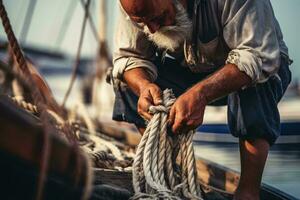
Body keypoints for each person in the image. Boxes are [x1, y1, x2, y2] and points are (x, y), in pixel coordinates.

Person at [111, 0, 292, 199]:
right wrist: (145, 86)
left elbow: (257, 56)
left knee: (257, 80)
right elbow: (129, 56)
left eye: (157, 18)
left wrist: (201, 94)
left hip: (255, 67)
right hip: (193, 69)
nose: (152, 30)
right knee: (126, 80)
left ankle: (248, 190)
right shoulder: (135, 6)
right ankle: (164, 173)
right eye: (142, 23)